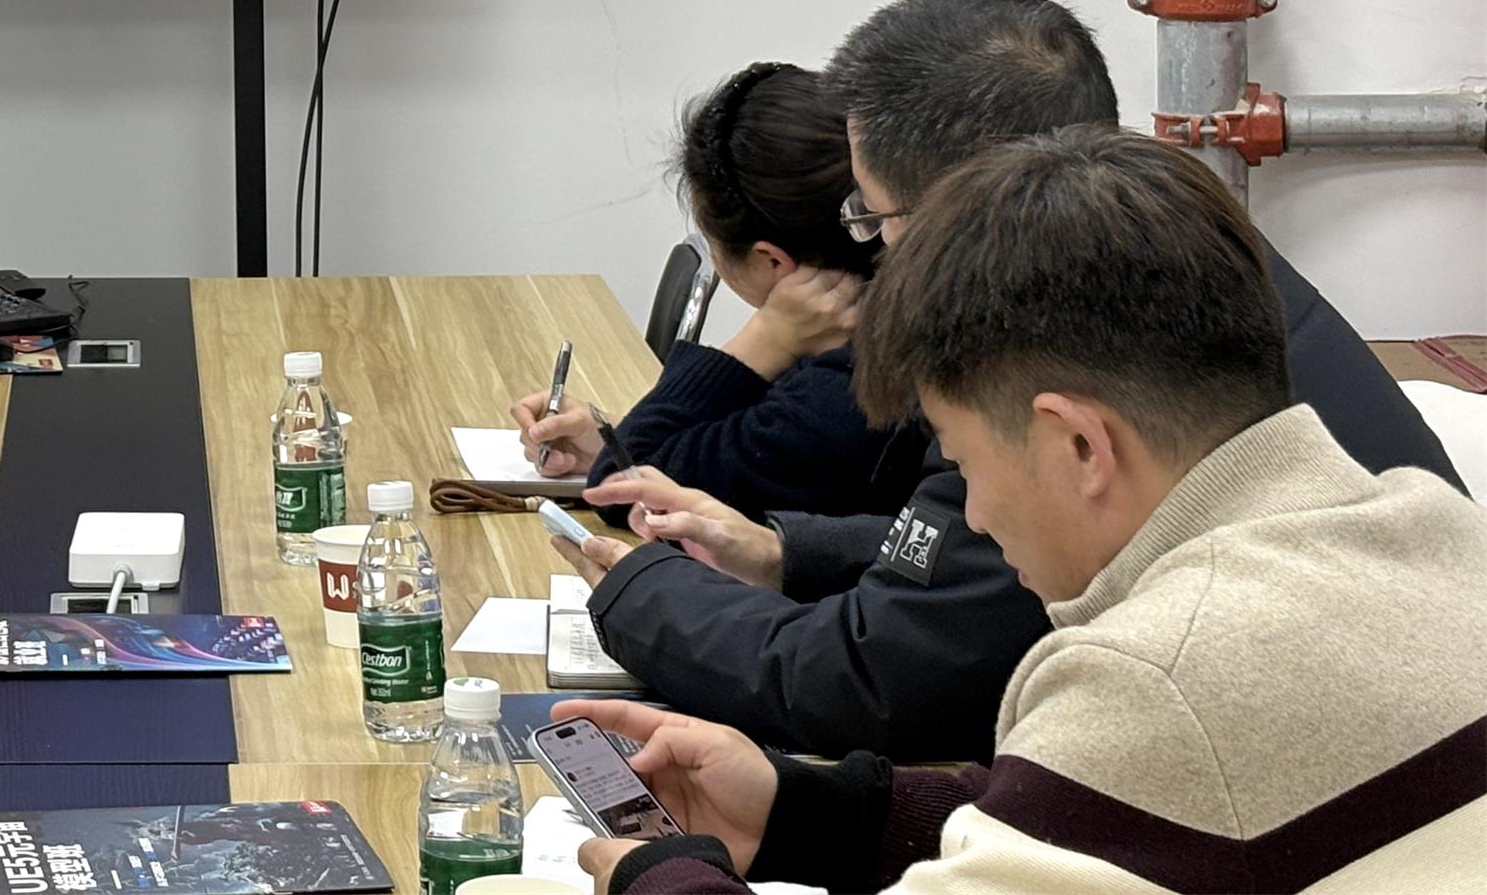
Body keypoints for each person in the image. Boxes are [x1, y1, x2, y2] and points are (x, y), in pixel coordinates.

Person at [557, 127, 1487, 895]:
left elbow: (1145, 762)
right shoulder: (1431, 524)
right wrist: (811, 812)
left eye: (962, 464)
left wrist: (659, 876)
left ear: (1078, 445)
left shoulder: (1152, 674)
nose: (976, 517)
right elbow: (1116, 829)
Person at [566, 0, 1463, 760]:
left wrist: (639, 591)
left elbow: (881, 683)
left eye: (873, 216)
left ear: (965, 204)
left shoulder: (1045, 343)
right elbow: (972, 573)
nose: (875, 250)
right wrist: (787, 551)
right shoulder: (1186, 248)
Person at [512, 63, 899, 525]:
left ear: (772, 261)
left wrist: (765, 338)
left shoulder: (841, 395)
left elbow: (619, 489)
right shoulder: (881, 335)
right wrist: (610, 438)